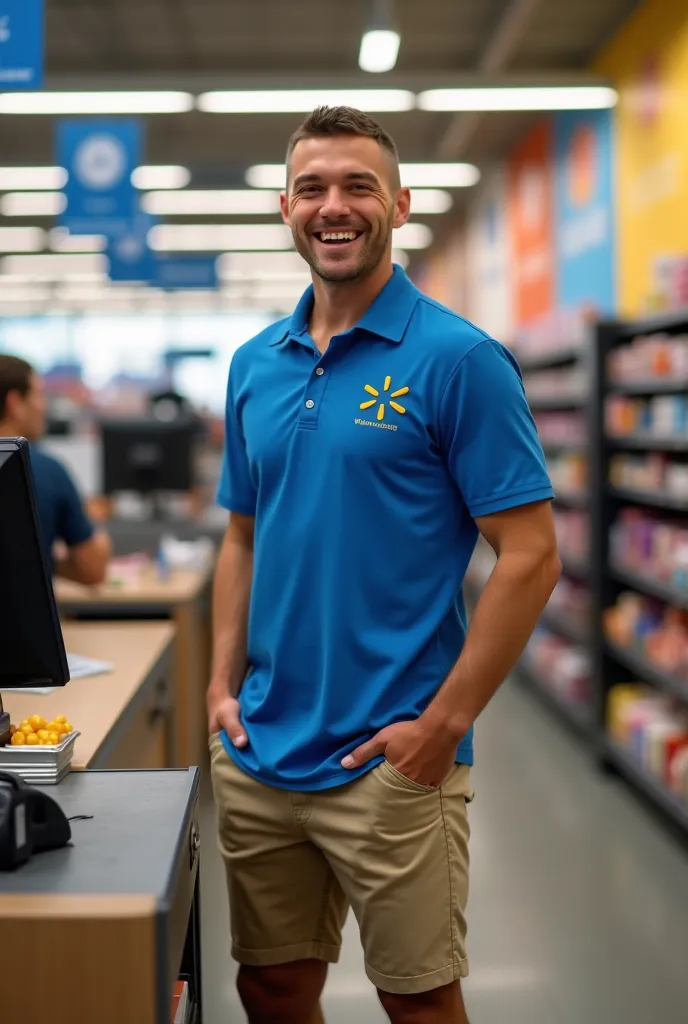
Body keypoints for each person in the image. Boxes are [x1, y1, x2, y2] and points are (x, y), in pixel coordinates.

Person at [208, 106, 561, 1024]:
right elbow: (241, 533)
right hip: (261, 749)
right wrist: (218, 691)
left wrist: (441, 728)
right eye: (314, 188)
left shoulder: (460, 359)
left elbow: (529, 555)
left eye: (358, 185)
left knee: (420, 1000)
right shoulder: (255, 364)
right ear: (287, 208)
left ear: (398, 205)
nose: (336, 205)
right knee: (271, 984)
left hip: (393, 756)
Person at [0, 354, 111, 585]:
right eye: (38, 395)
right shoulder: (44, 471)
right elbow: (93, 571)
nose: (44, 405)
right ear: (15, 403)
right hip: (24, 621)